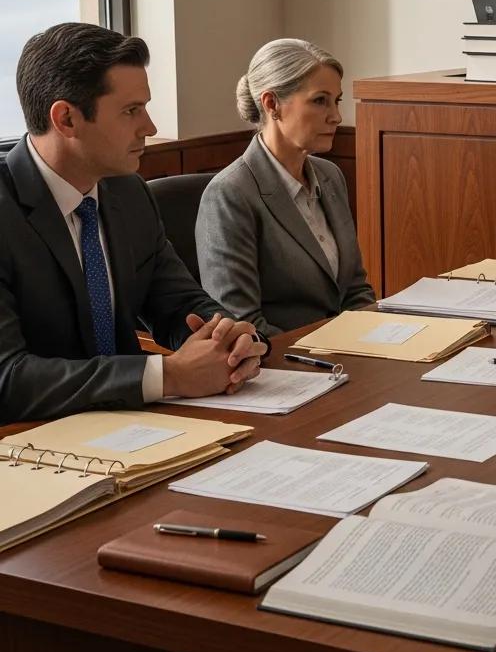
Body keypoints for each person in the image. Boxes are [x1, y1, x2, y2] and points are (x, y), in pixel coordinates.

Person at [0, 23, 266, 424]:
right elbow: (7, 379)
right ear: (66, 119)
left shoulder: (128, 192)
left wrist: (229, 340)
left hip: (136, 428)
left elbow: (179, 303)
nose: (150, 127)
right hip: (34, 441)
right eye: (131, 111)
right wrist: (168, 376)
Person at [196, 39, 375, 337]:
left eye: (337, 101)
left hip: (348, 351)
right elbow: (242, 324)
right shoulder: (229, 194)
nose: (336, 116)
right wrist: (325, 351)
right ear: (272, 104)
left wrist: (375, 340)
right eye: (320, 101)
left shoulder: (330, 176)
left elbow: (355, 289)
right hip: (282, 359)